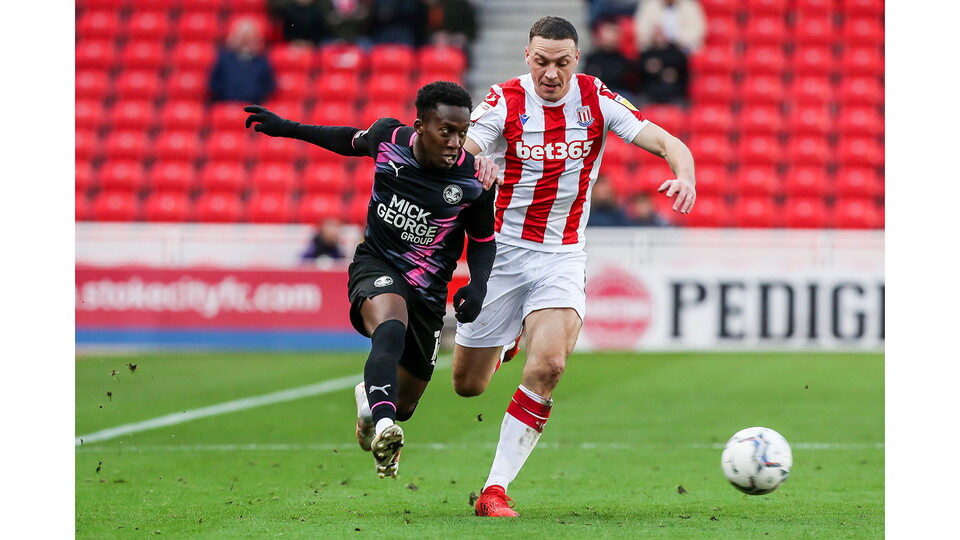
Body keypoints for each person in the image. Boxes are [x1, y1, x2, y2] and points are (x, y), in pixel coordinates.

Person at [452, 16, 697, 517]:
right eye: (542, 61)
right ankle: (507, 342)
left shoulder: (596, 98)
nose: (551, 73)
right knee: (468, 385)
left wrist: (685, 175)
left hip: (561, 255)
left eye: (562, 62)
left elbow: (669, 143)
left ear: (576, 59)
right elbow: (459, 154)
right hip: (502, 255)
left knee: (550, 365)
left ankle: (495, 489)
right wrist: (474, 166)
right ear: (527, 56)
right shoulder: (503, 101)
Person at [243, 81, 500, 479]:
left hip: (429, 290)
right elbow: (345, 139)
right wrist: (287, 128)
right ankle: (384, 428)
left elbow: (482, 241)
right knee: (390, 327)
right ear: (420, 127)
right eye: (446, 131)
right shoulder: (388, 139)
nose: (455, 143)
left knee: (406, 404)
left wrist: (478, 285)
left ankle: (372, 406)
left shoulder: (473, 181)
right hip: (378, 263)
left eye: (462, 133)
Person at [208, 17, 277, 104]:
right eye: (242, 38)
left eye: (249, 38)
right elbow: (214, 83)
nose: (245, 41)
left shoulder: (262, 62)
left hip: (253, 105)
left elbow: (268, 85)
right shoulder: (224, 59)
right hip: (227, 105)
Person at [581, 16, 640, 101]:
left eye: (615, 32)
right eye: (609, 31)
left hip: (620, 96)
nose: (612, 36)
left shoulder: (625, 59)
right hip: (598, 96)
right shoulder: (592, 59)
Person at [636, 26, 689, 105]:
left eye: (661, 34)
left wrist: (673, 74)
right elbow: (637, 75)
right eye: (656, 35)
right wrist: (648, 69)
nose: (659, 38)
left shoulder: (676, 53)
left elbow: (684, 74)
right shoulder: (646, 54)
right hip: (650, 92)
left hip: (673, 93)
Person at [633, 0, 706, 55]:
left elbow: (698, 31)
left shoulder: (690, 5)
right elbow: (641, 29)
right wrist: (655, 35)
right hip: (655, 48)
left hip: (682, 48)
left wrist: (673, 38)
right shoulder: (649, 5)